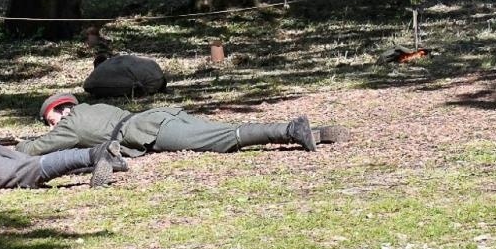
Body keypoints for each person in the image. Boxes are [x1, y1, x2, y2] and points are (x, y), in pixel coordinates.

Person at [19, 93, 328, 158]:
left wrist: (8, 146)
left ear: (61, 109)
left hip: (150, 130)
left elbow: (37, 148)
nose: (53, 126)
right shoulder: (92, 107)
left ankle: (290, 130)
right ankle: (314, 134)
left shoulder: (71, 124)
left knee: (220, 138)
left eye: (52, 120)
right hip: (160, 116)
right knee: (223, 129)